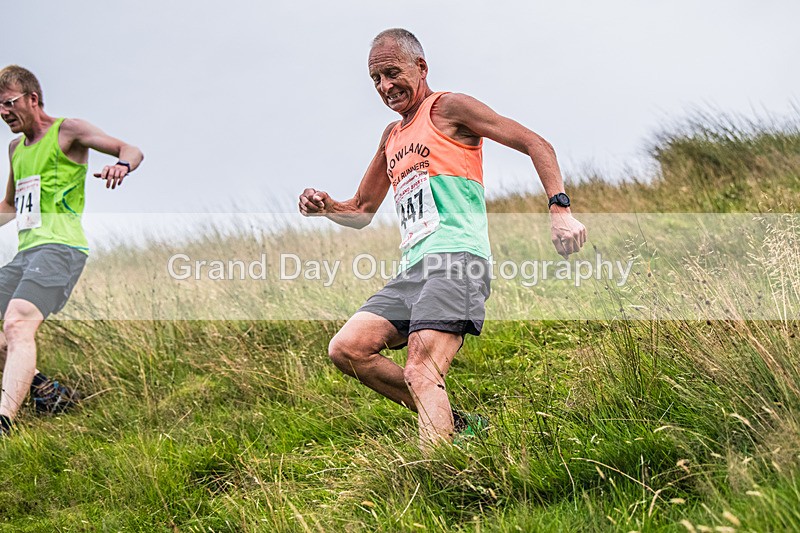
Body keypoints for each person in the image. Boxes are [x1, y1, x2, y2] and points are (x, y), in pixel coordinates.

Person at [299, 29, 586, 450]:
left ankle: (439, 471)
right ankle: (455, 422)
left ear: (421, 67)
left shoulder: (449, 108)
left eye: (392, 72)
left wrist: (560, 208)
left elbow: (534, 142)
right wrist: (326, 206)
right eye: (376, 79)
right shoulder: (391, 137)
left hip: (457, 261)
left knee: (421, 369)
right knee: (347, 349)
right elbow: (361, 210)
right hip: (413, 270)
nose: (385, 86)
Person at [0, 65, 143, 437]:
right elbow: (11, 206)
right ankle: (49, 393)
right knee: (5, 336)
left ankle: (4, 423)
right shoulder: (16, 148)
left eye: (8, 103)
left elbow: (131, 148)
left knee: (17, 323)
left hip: (60, 248)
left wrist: (121, 165)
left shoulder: (69, 131)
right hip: (27, 252)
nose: (3, 113)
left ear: (32, 98)